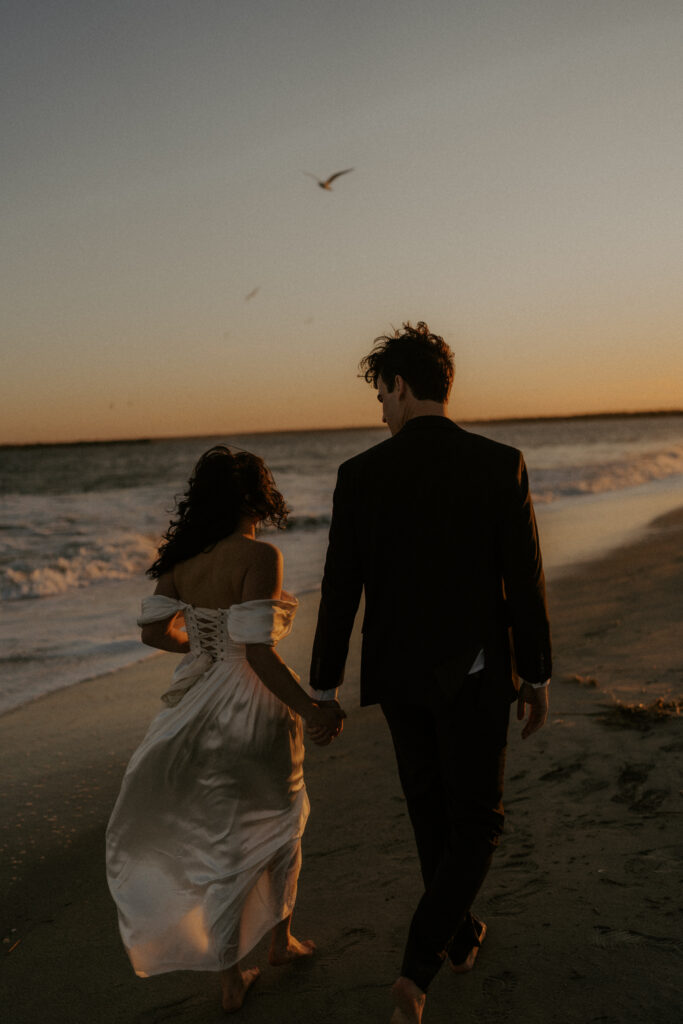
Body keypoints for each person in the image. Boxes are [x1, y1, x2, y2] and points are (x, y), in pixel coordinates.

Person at [309, 322, 552, 1024]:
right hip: (476, 670)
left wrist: (323, 686)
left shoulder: (360, 475)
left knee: (432, 814)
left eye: (380, 394)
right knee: (476, 821)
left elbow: (340, 586)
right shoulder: (498, 462)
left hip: (398, 675)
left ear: (400, 385)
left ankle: (460, 934)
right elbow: (523, 580)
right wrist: (534, 673)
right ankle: (417, 969)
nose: (379, 410)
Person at [106, 445, 343, 1014]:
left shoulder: (182, 558)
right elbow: (259, 654)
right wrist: (312, 709)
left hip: (197, 700)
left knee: (223, 839)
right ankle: (281, 942)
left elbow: (153, 633)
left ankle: (231, 976)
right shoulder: (259, 556)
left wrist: (201, 649)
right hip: (252, 706)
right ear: (256, 498)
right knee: (283, 820)